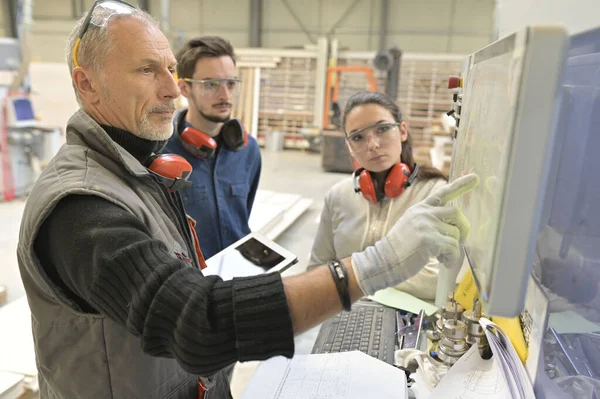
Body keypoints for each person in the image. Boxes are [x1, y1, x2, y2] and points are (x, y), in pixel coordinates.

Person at [17, 2, 478, 398]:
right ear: (88, 84)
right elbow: (196, 321)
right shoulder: (80, 206)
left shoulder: (139, 171)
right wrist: (372, 266)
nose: (171, 89)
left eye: (171, 70)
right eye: (145, 70)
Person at [309, 91, 448, 300]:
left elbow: (435, 279)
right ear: (349, 146)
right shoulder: (338, 196)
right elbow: (317, 271)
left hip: (409, 322)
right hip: (348, 317)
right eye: (358, 137)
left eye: (382, 129)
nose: (372, 145)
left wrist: (348, 279)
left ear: (402, 131)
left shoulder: (434, 193)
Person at [162, 36, 261, 259]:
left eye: (231, 83)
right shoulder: (161, 153)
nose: (224, 95)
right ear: (184, 88)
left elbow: (243, 215)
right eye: (211, 84)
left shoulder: (248, 151)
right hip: (191, 282)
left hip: (239, 275)